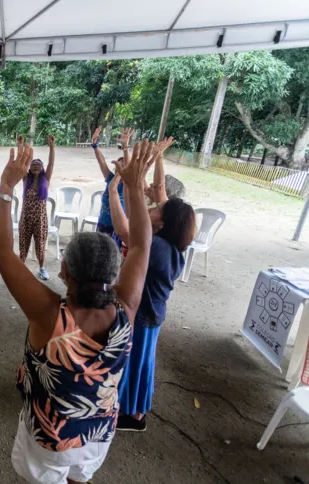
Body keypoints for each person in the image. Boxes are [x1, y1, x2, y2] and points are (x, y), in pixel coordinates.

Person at [0, 137, 158, 484]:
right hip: (98, 434)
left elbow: (2, 252)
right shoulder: (125, 308)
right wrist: (133, 187)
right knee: (79, 479)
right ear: (114, 274)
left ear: (65, 272)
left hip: (49, 438)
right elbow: (142, 243)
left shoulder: (48, 314)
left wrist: (7, 187)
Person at [109, 137, 197, 432]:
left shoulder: (156, 248)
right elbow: (160, 192)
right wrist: (157, 157)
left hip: (145, 316)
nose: (156, 206)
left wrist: (117, 189)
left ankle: (131, 415)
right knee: (142, 362)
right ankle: (135, 412)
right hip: (152, 314)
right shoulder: (171, 243)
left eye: (160, 209)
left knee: (135, 363)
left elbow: (124, 230)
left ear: (164, 222)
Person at [19, 134, 55, 280]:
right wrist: (20, 145)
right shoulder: (25, 179)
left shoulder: (45, 180)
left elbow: (51, 164)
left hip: (40, 219)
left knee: (40, 244)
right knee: (23, 243)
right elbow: (22, 163)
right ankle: (21, 268)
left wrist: (52, 147)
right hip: (26, 217)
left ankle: (42, 268)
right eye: (33, 165)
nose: (35, 166)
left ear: (42, 168)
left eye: (38, 165)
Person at [91, 126, 131, 248]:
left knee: (112, 256)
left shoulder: (128, 184)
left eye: (124, 164)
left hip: (118, 227)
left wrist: (125, 148)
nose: (120, 165)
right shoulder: (110, 179)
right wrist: (95, 146)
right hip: (103, 223)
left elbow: (129, 165)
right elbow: (101, 162)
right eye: (119, 163)